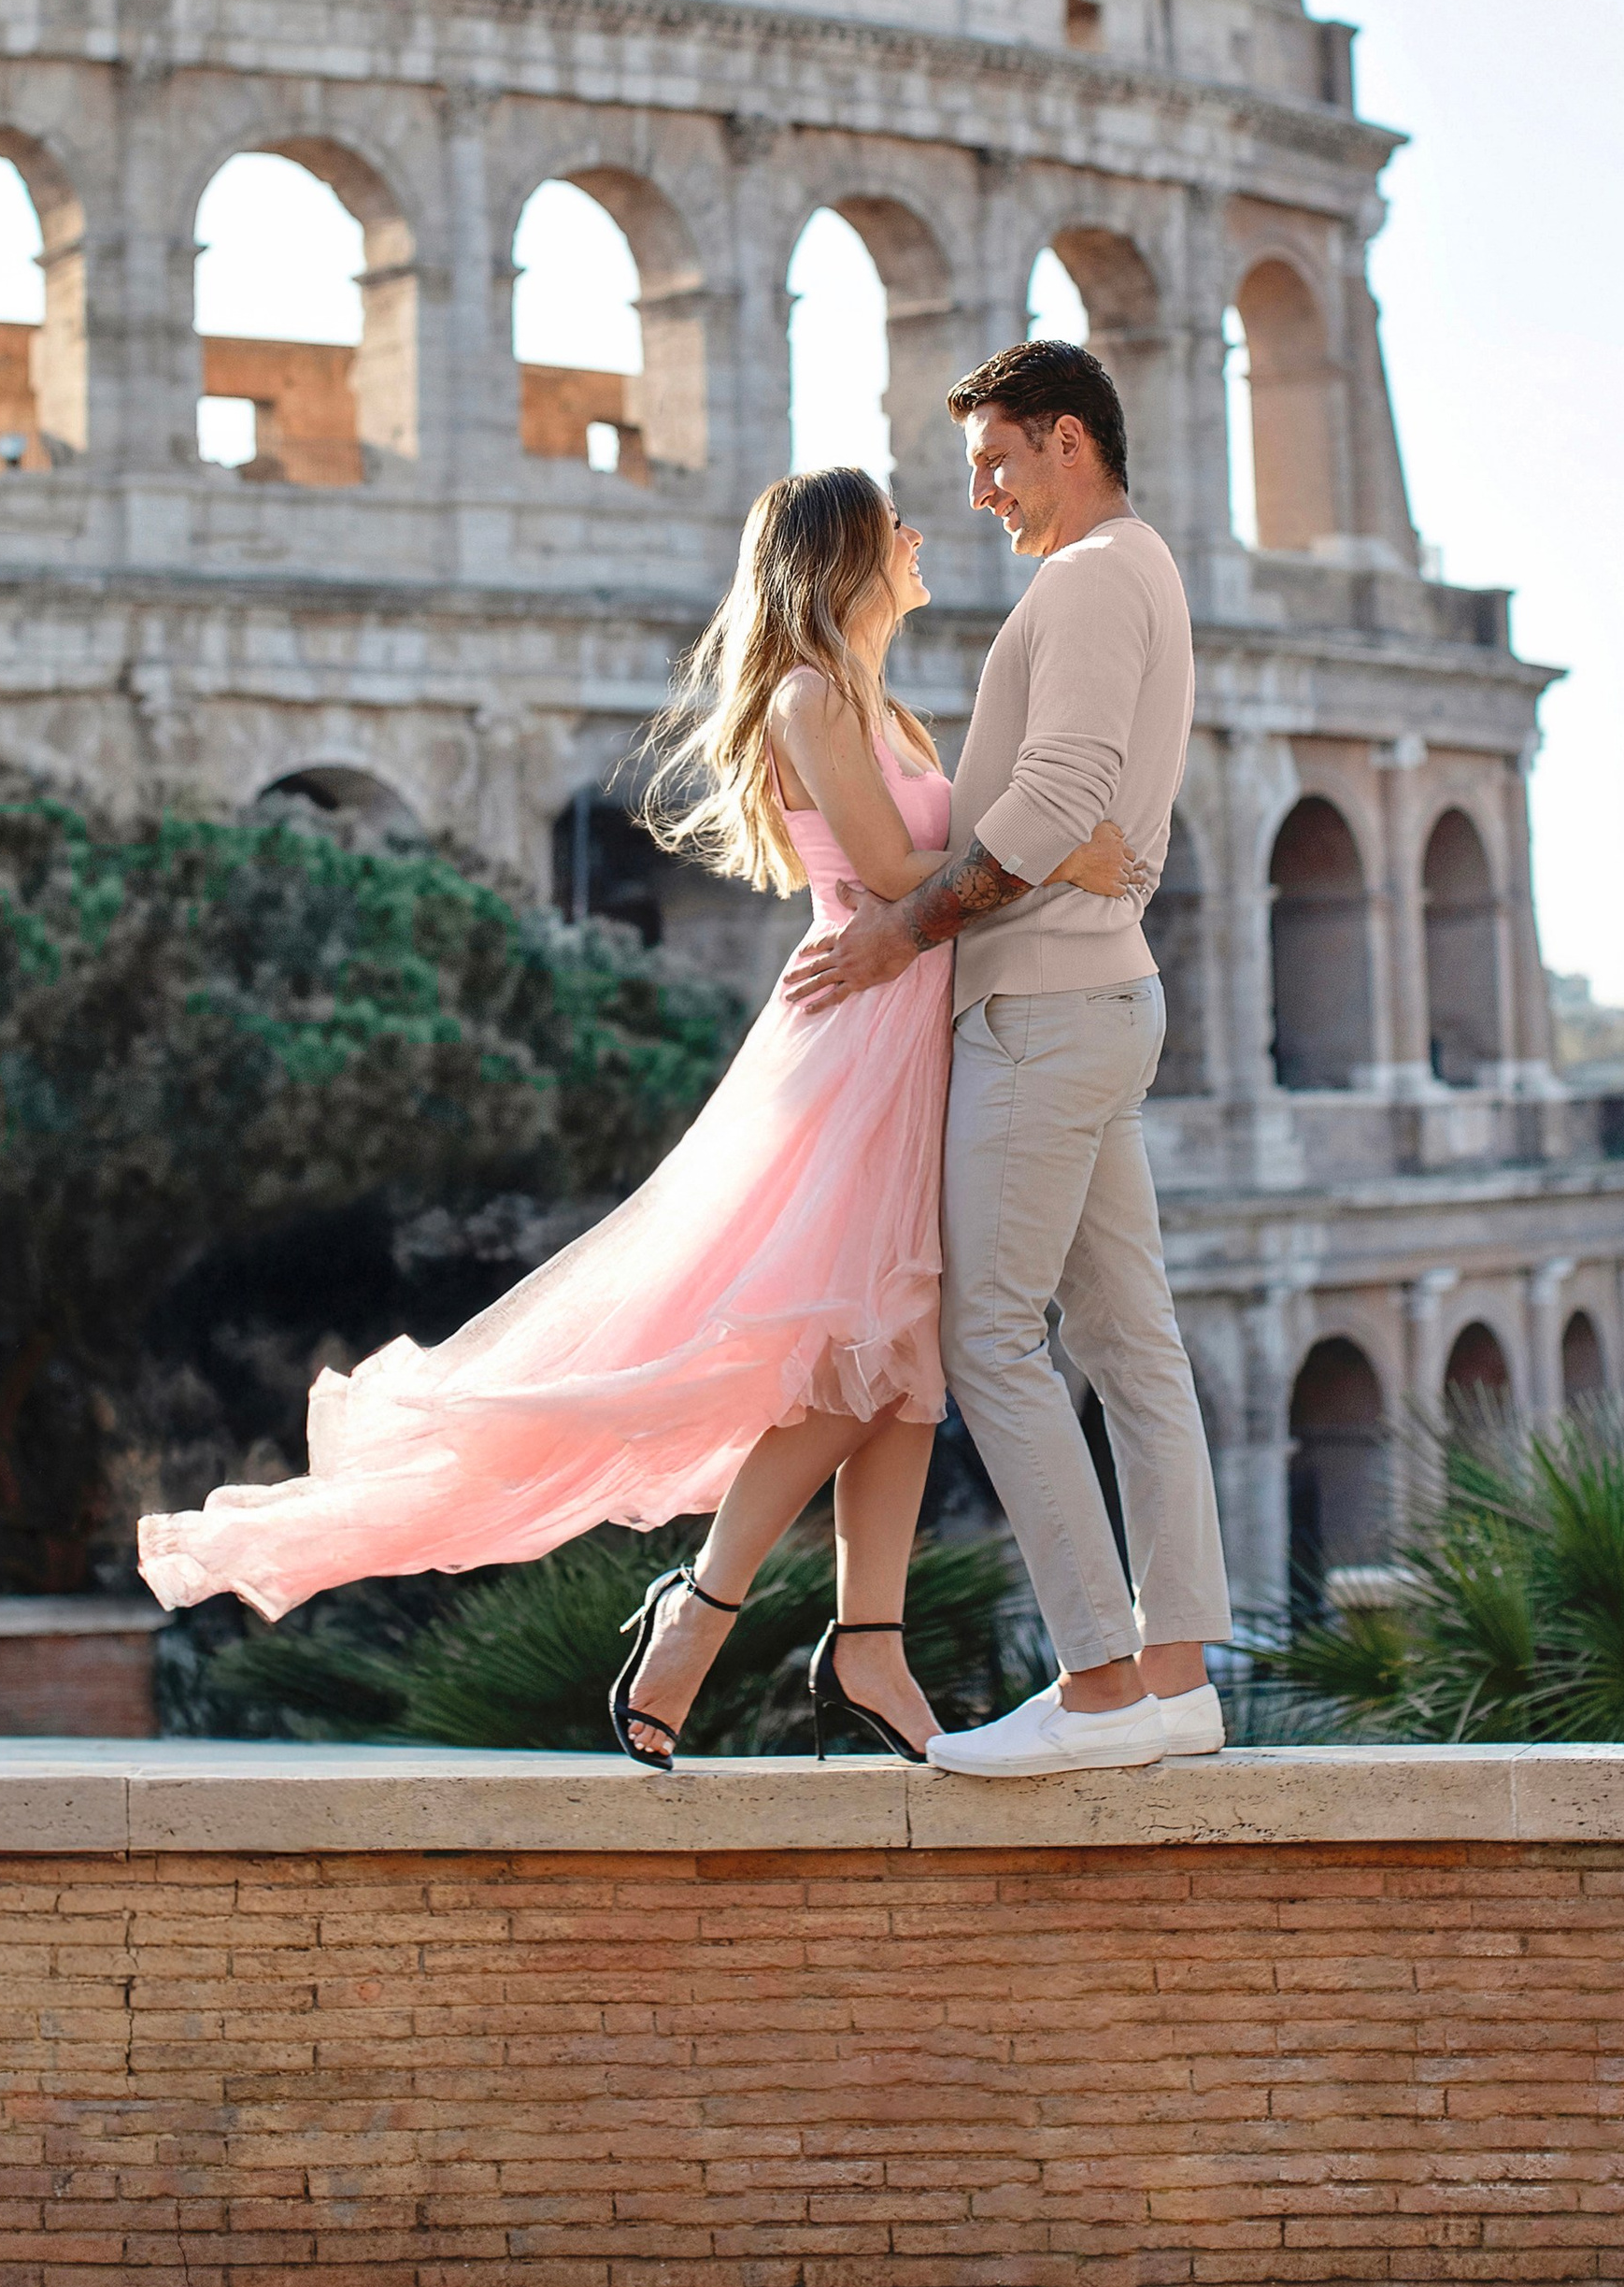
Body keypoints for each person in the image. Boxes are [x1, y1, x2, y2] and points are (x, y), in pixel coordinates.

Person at [135, 462, 1141, 1769]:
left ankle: (870, 1642)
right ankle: (705, 1606)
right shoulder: (806, 696)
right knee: (855, 1356)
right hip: (859, 1041)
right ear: (839, 554)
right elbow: (896, 874)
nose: (917, 533)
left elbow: (922, 889)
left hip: (912, 1028)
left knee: (904, 1367)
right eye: (891, 521)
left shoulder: (888, 709)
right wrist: (1056, 850)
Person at [783, 340, 1232, 1774]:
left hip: (1041, 1008)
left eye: (996, 461)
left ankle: (1101, 1687)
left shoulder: (1091, 578)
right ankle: (1175, 1678)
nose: (977, 494)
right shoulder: (1138, 569)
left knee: (990, 1338)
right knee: (1127, 1339)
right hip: (1094, 995)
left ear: (1070, 444)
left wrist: (903, 931)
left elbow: (1057, 796)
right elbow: (1068, 814)